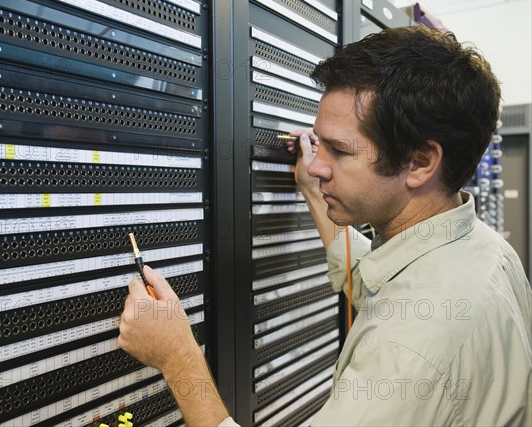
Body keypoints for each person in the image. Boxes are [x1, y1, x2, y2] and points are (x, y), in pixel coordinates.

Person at [118, 26, 532, 426]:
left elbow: (406, 325)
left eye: (338, 150)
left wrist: (177, 357)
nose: (317, 165)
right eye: (320, 145)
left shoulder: (412, 344)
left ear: (421, 162)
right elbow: (379, 286)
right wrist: (316, 193)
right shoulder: (484, 250)